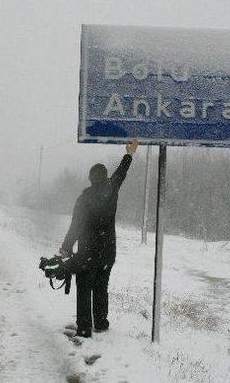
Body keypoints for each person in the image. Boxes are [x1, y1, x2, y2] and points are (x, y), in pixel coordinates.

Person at [60, 138, 139, 338]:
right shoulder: (111, 190)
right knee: (101, 288)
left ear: (90, 178)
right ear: (104, 177)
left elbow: (75, 226)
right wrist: (129, 154)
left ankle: (85, 328)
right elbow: (121, 173)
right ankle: (101, 323)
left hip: (87, 254)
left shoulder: (84, 199)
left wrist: (66, 247)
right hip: (107, 253)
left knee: (84, 289)